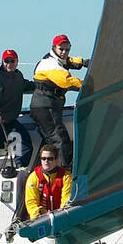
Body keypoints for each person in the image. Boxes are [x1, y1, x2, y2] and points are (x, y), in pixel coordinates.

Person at [30, 33, 89, 169]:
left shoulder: (56, 59)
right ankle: (64, 173)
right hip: (45, 108)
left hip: (48, 107)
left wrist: (84, 62)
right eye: (60, 49)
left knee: (54, 138)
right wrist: (89, 86)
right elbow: (67, 81)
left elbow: (69, 61)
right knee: (60, 139)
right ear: (54, 48)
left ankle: (55, 170)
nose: (64, 52)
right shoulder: (51, 65)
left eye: (67, 49)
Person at [0, 49, 36, 179]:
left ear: (17, 62)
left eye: (12, 61)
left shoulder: (18, 76)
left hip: (9, 121)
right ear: (3, 62)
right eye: (6, 61)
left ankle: (20, 169)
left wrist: (43, 86)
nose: (9, 64)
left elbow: (26, 86)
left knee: (25, 145)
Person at [24, 143, 73, 220]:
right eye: (43, 158)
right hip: (41, 218)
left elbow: (66, 200)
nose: (46, 161)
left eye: (50, 159)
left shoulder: (66, 176)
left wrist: (60, 215)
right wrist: (39, 216)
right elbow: (31, 203)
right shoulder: (33, 177)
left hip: (61, 217)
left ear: (56, 160)